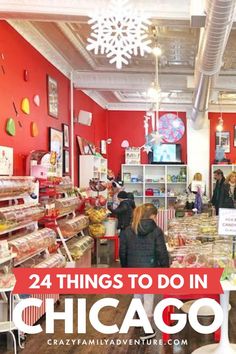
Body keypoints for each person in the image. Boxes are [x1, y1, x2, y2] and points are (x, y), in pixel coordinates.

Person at [119, 203, 169, 340]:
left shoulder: (128, 230)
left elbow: (122, 252)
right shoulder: (156, 231)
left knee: (137, 294)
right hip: (150, 269)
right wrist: (166, 267)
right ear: (153, 216)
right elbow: (161, 251)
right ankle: (147, 330)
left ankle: (138, 319)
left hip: (133, 268)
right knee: (148, 297)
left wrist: (125, 268)